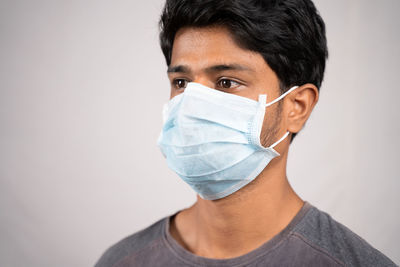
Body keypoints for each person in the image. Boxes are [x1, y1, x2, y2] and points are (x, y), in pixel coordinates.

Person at [96, 0, 396, 266]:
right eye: (182, 83)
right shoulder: (122, 260)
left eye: (226, 82)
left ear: (297, 106)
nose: (192, 104)